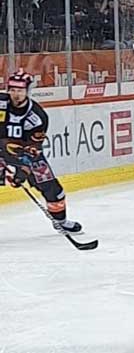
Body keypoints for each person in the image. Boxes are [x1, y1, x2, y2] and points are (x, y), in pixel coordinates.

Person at [0, 71, 84, 236]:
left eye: (20, 90)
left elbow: (33, 150)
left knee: (53, 189)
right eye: (12, 90)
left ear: (28, 91)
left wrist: (22, 171)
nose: (15, 94)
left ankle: (60, 221)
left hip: (23, 154)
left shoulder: (37, 117)